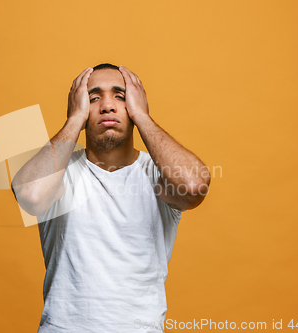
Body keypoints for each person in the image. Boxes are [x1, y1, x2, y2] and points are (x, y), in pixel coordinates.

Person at [11, 63, 211, 332]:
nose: (107, 106)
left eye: (120, 96)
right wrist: (73, 120)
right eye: (94, 98)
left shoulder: (158, 176)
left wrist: (143, 116)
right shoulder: (59, 174)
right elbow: (31, 196)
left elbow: (194, 186)